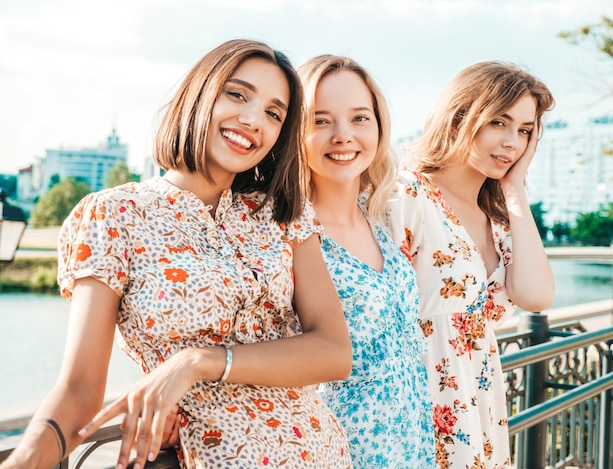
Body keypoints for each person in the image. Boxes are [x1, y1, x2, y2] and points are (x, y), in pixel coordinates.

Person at [0, 39, 353, 469]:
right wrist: (23, 460)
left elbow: (335, 352)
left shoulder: (283, 215)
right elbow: (78, 390)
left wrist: (196, 362)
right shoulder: (114, 214)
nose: (251, 120)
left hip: (319, 454)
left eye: (273, 113)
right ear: (200, 94)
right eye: (237, 94)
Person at [387, 60, 556, 468]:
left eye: (525, 130)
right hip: (415, 404)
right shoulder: (406, 195)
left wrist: (514, 189)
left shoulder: (498, 220)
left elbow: (536, 296)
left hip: (478, 405)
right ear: (461, 116)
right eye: (499, 122)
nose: (512, 142)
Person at [297, 54, 435, 467]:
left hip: (411, 446)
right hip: (335, 450)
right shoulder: (285, 230)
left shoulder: (378, 217)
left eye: (359, 118)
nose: (343, 135)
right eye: (321, 121)